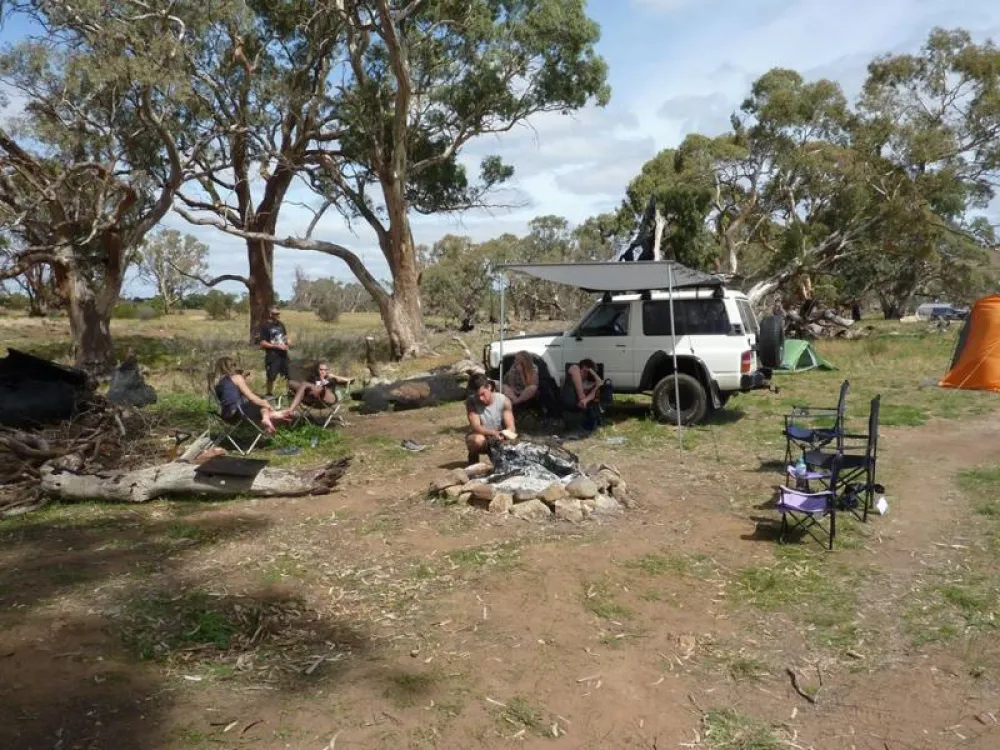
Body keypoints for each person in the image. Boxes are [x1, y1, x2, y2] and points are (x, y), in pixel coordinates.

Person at [213, 356, 291, 434]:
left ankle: (270, 416)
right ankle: (270, 417)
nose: (235, 367)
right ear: (229, 367)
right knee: (261, 402)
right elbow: (251, 397)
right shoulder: (236, 378)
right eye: (234, 365)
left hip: (227, 417)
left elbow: (230, 396)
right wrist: (267, 404)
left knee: (259, 404)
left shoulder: (217, 384)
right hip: (239, 413)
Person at [465, 374, 515, 464]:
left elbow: (511, 427)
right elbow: (476, 426)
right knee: (476, 441)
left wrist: (504, 435)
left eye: (483, 394)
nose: (480, 398)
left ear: (489, 387)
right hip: (483, 436)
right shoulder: (471, 402)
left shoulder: (504, 401)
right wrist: (494, 433)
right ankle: (473, 460)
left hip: (499, 438)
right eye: (477, 395)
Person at [285, 361, 353, 413]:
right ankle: (291, 410)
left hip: (328, 397)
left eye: (325, 370)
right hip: (313, 398)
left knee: (307, 385)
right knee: (292, 382)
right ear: (318, 370)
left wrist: (334, 376)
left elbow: (351, 380)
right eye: (321, 369)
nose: (323, 372)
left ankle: (290, 410)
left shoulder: (332, 379)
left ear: (328, 371)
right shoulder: (313, 378)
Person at [561, 358, 603, 431]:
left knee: (592, 396)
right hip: (568, 401)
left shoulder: (586, 383)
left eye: (587, 373)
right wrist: (585, 399)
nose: (584, 374)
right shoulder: (575, 368)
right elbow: (581, 396)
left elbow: (583, 402)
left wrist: (597, 385)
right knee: (587, 397)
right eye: (584, 371)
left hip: (576, 405)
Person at [258, 306, 290, 398]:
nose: (277, 315)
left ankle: (289, 393)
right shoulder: (265, 326)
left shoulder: (281, 324)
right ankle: (269, 394)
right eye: (275, 314)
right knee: (271, 376)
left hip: (283, 354)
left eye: (278, 313)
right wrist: (276, 346)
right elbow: (262, 343)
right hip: (272, 355)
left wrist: (288, 340)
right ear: (270, 314)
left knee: (289, 374)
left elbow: (284, 336)